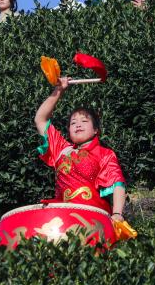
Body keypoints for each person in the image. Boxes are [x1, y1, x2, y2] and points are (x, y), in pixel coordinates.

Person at [33, 78, 128, 226]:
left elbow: (117, 184)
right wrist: (59, 90)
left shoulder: (105, 154)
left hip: (93, 218)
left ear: (96, 129)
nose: (78, 125)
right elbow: (40, 119)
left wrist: (117, 214)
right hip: (62, 218)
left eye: (84, 121)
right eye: (73, 122)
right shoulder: (61, 149)